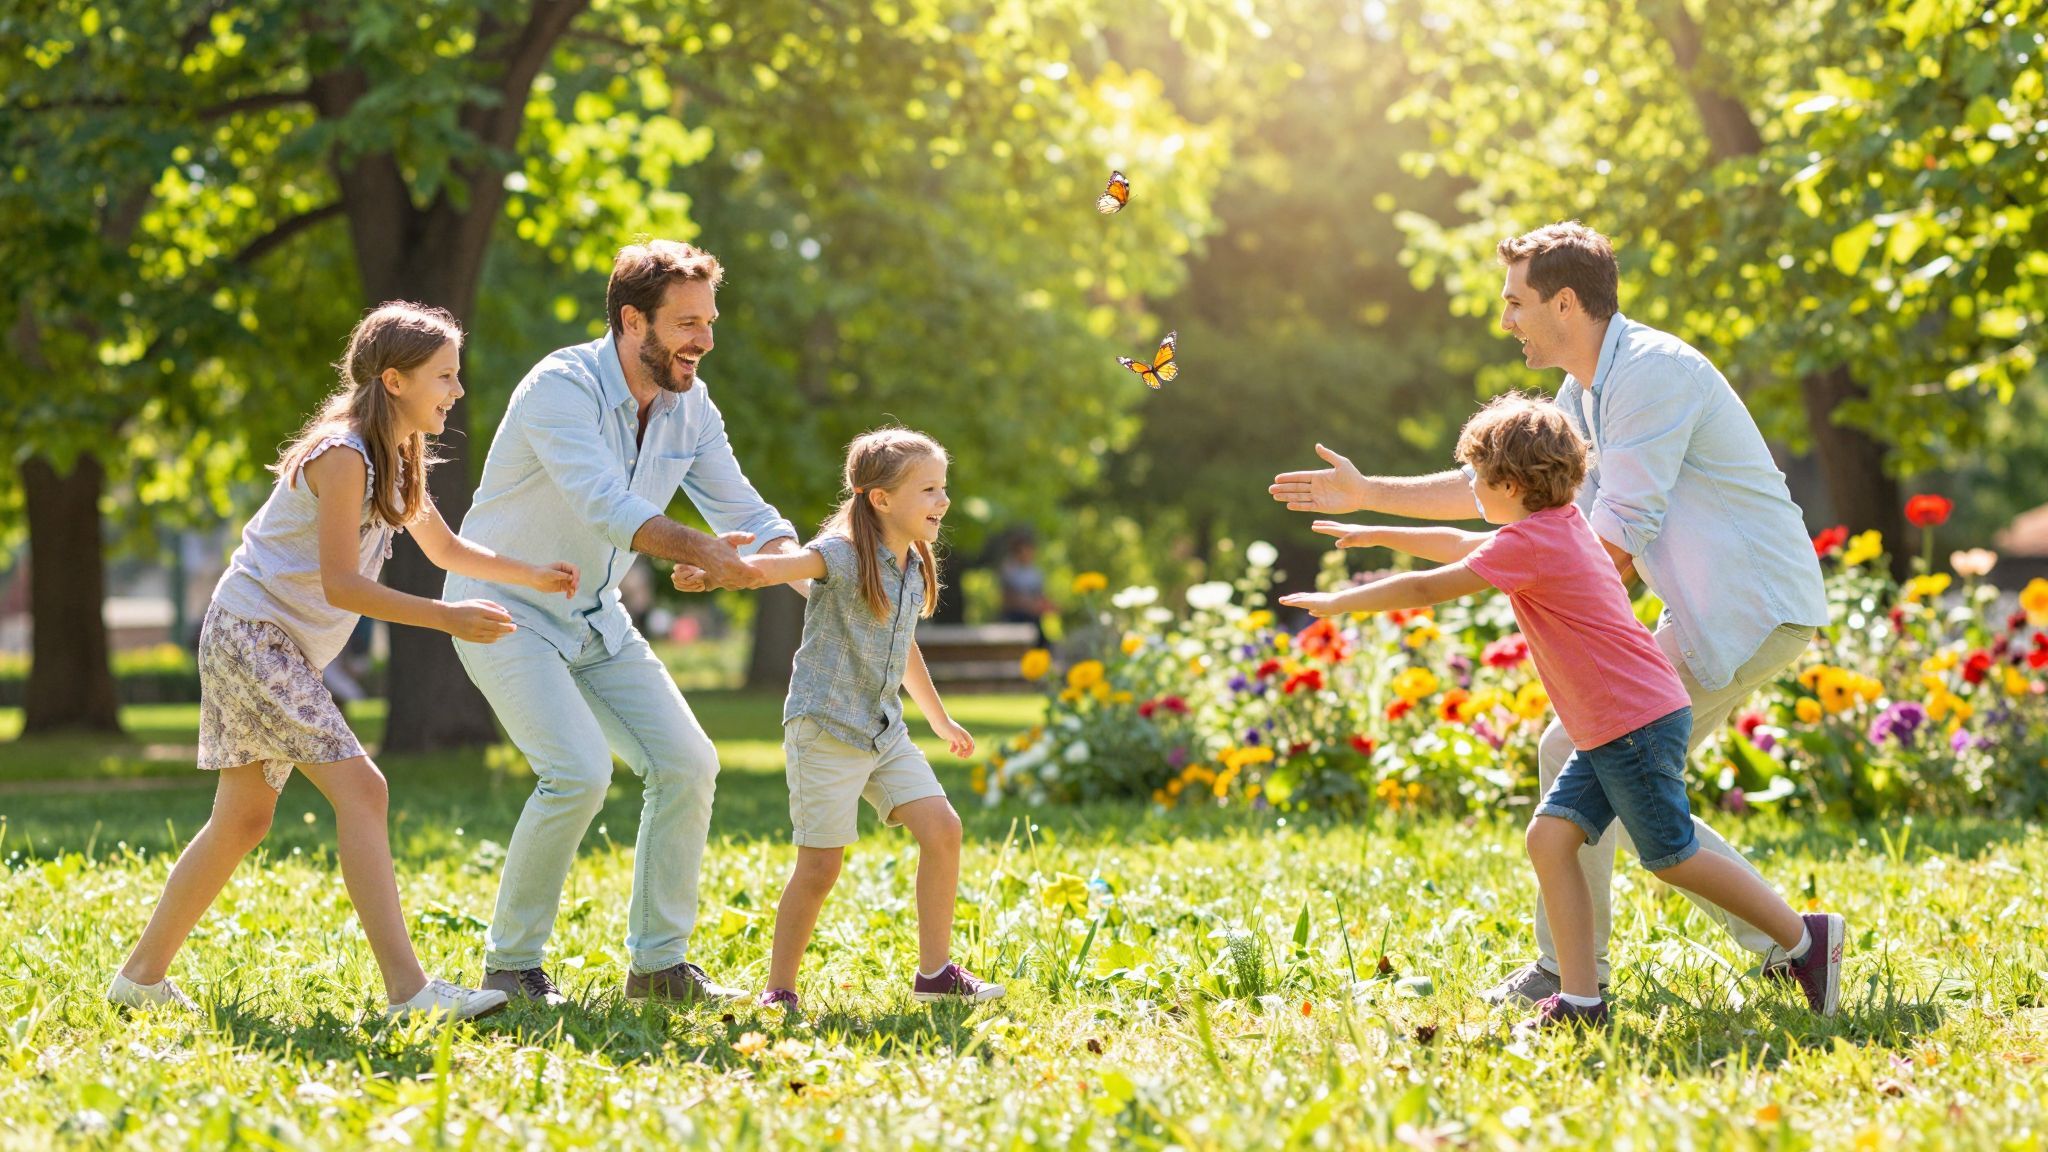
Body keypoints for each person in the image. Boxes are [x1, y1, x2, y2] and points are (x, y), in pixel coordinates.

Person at [1270, 221, 1831, 1006]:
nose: (1506, 321)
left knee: (1601, 762)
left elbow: (1612, 544)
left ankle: (1751, 949)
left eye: (1515, 302)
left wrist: (1549, 605)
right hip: (1707, 610)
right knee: (1604, 774)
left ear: (1564, 302)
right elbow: (1506, 492)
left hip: (1749, 606)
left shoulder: (1651, 376)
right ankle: (1613, 971)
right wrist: (1371, 495)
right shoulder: (1587, 390)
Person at [108, 303, 579, 1022]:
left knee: (242, 821)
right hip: (252, 638)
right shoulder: (343, 455)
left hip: (273, 645)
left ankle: (139, 979)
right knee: (365, 791)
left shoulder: (400, 456)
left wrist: (531, 573)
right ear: (394, 380)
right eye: (444, 377)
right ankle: (409, 992)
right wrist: (447, 618)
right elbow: (343, 585)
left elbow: (447, 550)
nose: (456, 391)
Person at [448, 240, 797, 1007]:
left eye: (708, 322)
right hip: (504, 611)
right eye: (685, 323)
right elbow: (608, 507)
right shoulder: (560, 388)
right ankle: (511, 966)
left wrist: (804, 569)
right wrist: (703, 548)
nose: (702, 341)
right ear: (631, 319)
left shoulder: (689, 403)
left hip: (596, 618)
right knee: (577, 771)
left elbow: (742, 509)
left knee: (688, 764)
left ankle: (659, 967)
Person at [709, 428, 1002, 1012]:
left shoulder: (912, 564)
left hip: (882, 729)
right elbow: (778, 568)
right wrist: (720, 566)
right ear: (881, 499)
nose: (943, 501)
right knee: (820, 868)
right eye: (929, 490)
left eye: (943, 487)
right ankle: (780, 989)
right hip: (825, 727)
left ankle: (935, 975)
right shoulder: (841, 554)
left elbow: (903, 645)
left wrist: (939, 720)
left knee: (943, 831)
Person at [996, 531, 1053, 646]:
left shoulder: (1036, 572)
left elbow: (1039, 596)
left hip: (1033, 619)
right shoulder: (1009, 570)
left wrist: (1048, 605)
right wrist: (1030, 605)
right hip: (1014, 618)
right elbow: (1008, 598)